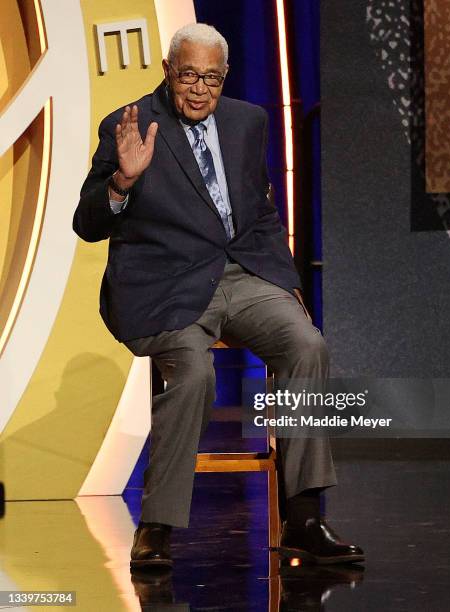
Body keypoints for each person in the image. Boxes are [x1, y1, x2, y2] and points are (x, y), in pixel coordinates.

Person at [73, 22, 364, 568]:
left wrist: (286, 285)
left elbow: (261, 214)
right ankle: (156, 529)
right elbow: (86, 224)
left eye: (211, 77)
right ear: (167, 72)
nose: (200, 89)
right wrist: (122, 185)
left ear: (224, 77)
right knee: (195, 372)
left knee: (307, 345)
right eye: (189, 76)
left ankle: (303, 516)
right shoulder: (129, 125)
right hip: (166, 286)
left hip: (240, 276)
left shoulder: (247, 122)